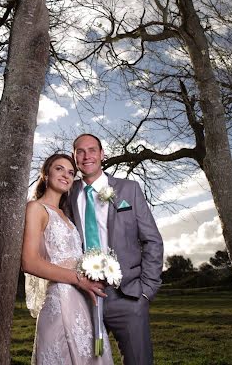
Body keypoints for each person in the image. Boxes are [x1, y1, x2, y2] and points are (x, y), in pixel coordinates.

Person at [70, 133, 164, 365]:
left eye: (92, 150)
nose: (86, 156)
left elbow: (152, 240)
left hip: (127, 295)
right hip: (82, 296)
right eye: (80, 151)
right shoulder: (67, 194)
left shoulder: (129, 189)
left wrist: (146, 290)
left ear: (102, 154)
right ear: (74, 158)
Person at [22, 153, 114, 365]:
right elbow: (29, 262)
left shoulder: (67, 217)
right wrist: (78, 278)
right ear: (46, 173)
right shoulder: (36, 209)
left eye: (71, 172)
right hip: (61, 298)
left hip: (82, 298)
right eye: (59, 169)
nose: (66, 175)